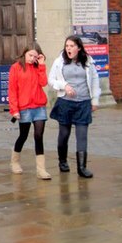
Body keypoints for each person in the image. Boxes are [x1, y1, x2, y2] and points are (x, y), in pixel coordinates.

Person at [48, 35, 101, 178]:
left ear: (78, 48)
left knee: (82, 135)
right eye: (67, 46)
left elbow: (95, 80)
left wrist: (95, 100)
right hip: (65, 102)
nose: (69, 49)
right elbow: (51, 80)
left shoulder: (88, 61)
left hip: (83, 103)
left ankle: (82, 168)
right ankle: (63, 161)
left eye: (71, 46)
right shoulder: (60, 61)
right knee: (64, 134)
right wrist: (64, 85)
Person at [8, 42, 51, 180]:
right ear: (24, 53)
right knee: (23, 135)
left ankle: (41, 170)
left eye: (35, 56)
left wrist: (42, 65)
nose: (32, 58)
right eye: (30, 55)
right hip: (24, 107)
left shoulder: (38, 67)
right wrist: (14, 109)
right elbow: (12, 90)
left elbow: (44, 83)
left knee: (39, 136)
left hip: (39, 106)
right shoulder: (15, 68)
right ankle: (14, 161)